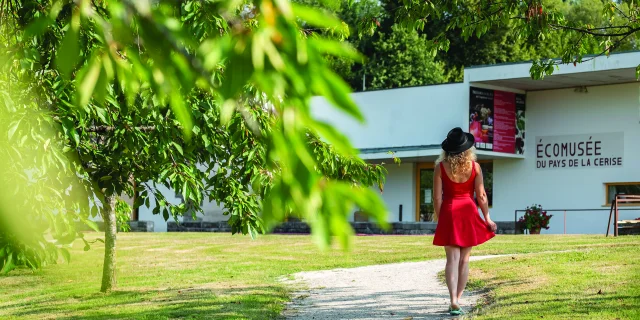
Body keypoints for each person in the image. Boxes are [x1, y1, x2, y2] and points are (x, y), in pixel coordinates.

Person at [432, 127, 497, 316]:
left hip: (450, 212)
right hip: (468, 211)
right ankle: (458, 301)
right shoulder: (474, 167)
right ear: (467, 148)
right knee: (464, 260)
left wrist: (440, 218)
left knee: (451, 260)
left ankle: (452, 299)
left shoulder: (440, 167)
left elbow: (437, 199)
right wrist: (487, 218)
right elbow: (482, 195)